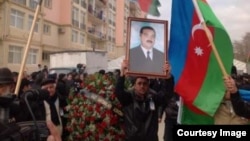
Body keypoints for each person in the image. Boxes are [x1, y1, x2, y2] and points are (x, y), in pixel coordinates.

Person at [115, 60, 172, 141]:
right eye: (139, 83)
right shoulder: (128, 98)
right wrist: (122, 74)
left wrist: (168, 77)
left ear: (148, 85)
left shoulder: (154, 98)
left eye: (145, 83)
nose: (142, 86)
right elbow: (118, 92)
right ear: (134, 85)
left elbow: (167, 94)